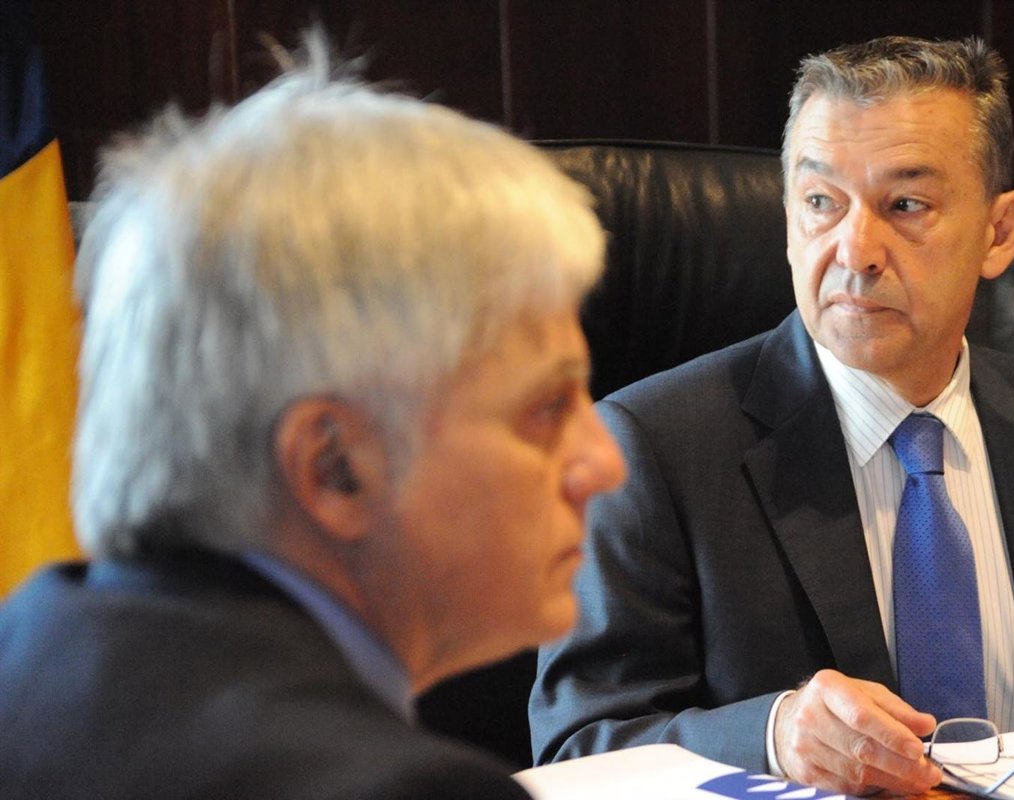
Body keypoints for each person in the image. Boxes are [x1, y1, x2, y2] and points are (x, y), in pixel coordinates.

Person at [530, 35, 1014, 795]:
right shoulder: (652, 446)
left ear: (1000, 232)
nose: (855, 251)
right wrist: (772, 735)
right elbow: (579, 750)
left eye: (906, 205)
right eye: (821, 203)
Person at [0, 34, 626, 798]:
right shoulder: (403, 790)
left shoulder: (25, 648)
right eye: (547, 409)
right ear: (334, 466)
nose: (605, 463)